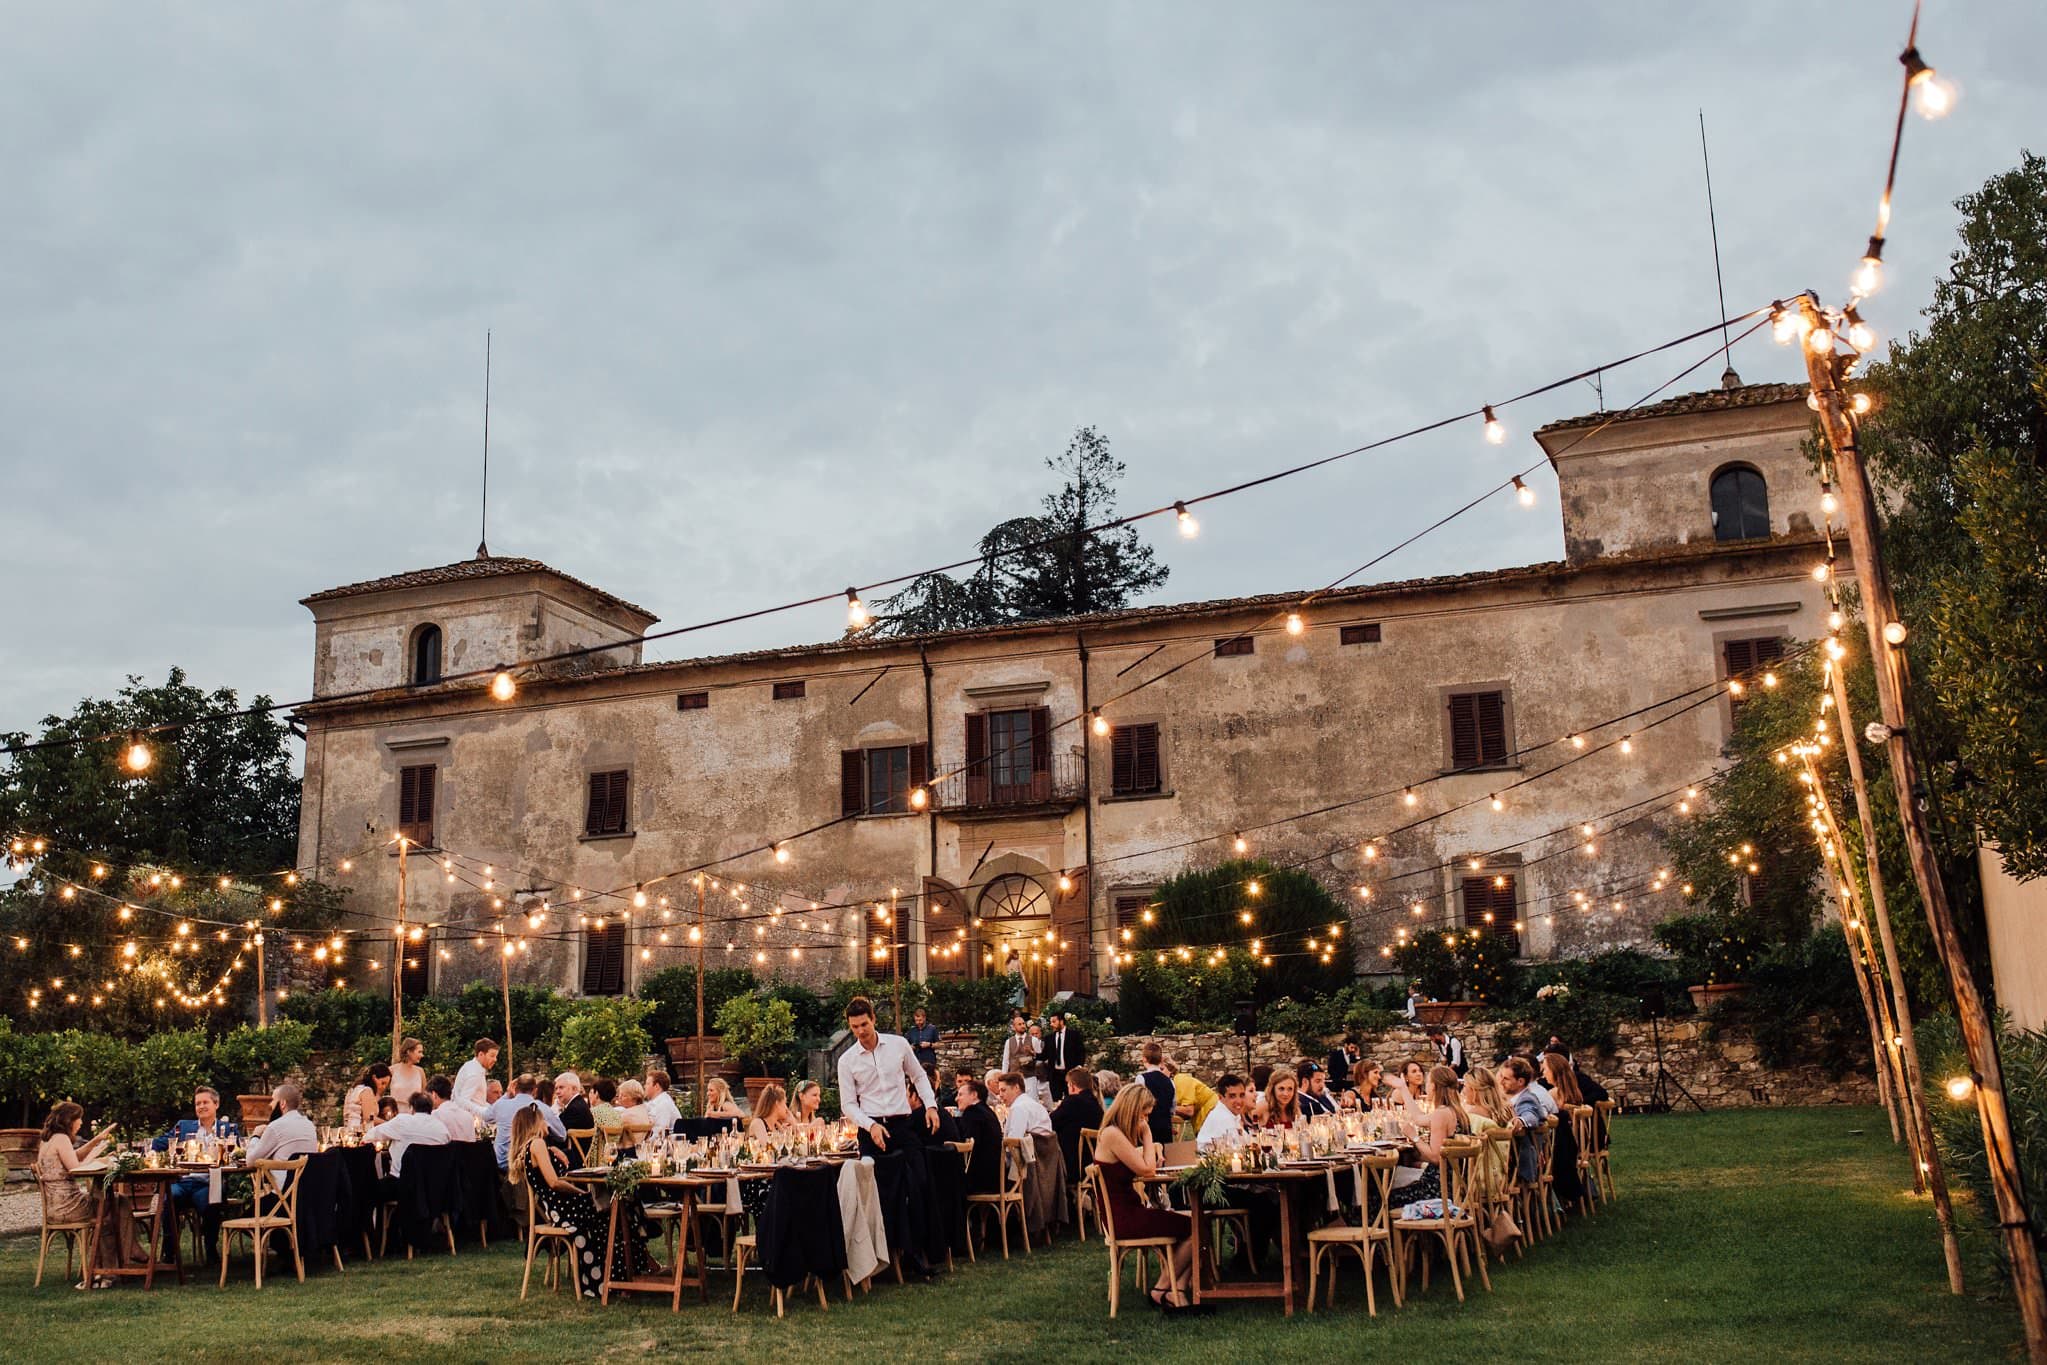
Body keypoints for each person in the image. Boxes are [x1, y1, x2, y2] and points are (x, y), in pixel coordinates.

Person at [508, 1104, 658, 1298]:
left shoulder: (532, 1148)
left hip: (559, 1208)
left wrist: (553, 1149)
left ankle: (631, 1272)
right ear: (534, 1123)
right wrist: (579, 1191)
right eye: (543, 1119)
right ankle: (628, 1274)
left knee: (620, 1208)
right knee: (618, 1211)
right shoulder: (537, 1144)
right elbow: (554, 1182)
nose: (546, 1123)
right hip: (565, 1209)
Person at [837, 994, 941, 1275]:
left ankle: (916, 1254)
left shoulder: (898, 1045)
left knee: (918, 1183)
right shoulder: (846, 1061)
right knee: (878, 1194)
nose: (860, 1031)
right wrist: (869, 1125)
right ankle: (880, 1259)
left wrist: (931, 1106)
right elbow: (847, 1104)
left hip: (902, 1124)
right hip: (870, 1129)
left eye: (864, 1025)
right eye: (855, 1027)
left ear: (873, 1020)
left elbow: (919, 1076)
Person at [1092, 1082, 1200, 1312]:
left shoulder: (1114, 1133)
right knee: (1196, 1227)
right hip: (1124, 1217)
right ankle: (1164, 1289)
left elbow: (1138, 1163)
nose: (1146, 1120)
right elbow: (1147, 1170)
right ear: (1133, 1110)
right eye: (1144, 1115)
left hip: (1129, 1210)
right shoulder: (1112, 1134)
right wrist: (1148, 1136)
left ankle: (1176, 1289)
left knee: (1196, 1224)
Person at [37, 1101, 141, 1281]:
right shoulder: (61, 1138)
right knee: (115, 1206)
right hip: (70, 1207)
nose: (81, 1123)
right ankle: (127, 1254)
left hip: (57, 1207)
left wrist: (95, 1141)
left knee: (115, 1205)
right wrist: (99, 1158)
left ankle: (115, 1261)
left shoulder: (49, 1139)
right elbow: (76, 1169)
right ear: (70, 1120)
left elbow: (73, 1157)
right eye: (79, 1119)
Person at [156, 1086, 239, 1258]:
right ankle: (169, 1252)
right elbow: (160, 1143)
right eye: (197, 1103)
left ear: (216, 1104)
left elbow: (238, 1152)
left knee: (211, 1201)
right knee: (168, 1199)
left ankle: (211, 1249)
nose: (201, 1106)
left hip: (208, 1182)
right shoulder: (184, 1126)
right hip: (184, 1181)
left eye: (205, 1102)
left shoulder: (228, 1128)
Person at [1388, 1064, 1472, 1214]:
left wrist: (1414, 1137)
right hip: (1455, 1184)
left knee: (1379, 1197)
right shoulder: (1457, 1111)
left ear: (1433, 1086)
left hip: (1438, 1190)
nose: (1426, 1086)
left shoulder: (1441, 1114)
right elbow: (1419, 1118)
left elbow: (1435, 1157)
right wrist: (1403, 1089)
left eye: (1428, 1082)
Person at [997, 1072, 1064, 1238]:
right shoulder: (1036, 1106)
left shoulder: (1019, 1108)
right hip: (1044, 1165)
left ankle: (999, 1232)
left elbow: (1013, 1144)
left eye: (1004, 1090)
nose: (1000, 1095)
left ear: (1016, 1088)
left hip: (1028, 1169)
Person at [247, 1083, 320, 1186]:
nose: (270, 1105)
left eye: (273, 1100)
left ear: (282, 1103)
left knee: (256, 1197)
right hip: (306, 1192)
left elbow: (250, 1161)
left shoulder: (275, 1127)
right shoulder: (310, 1125)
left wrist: (255, 1136)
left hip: (283, 1196)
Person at [1541, 1051, 1588, 1205]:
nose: (1543, 1072)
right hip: (1578, 1142)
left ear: (1554, 1070)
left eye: (1545, 1069)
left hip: (1561, 1145)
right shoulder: (1575, 1091)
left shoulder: (1553, 1094)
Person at [366, 1093, 450, 1177]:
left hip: (402, 1181)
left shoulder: (402, 1121)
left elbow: (372, 1135)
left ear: (412, 1108)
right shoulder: (441, 1128)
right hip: (434, 1182)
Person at [1462, 1066, 1514, 1203]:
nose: (1463, 1091)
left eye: (1465, 1087)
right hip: (1499, 1179)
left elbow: (1464, 1150)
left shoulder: (1474, 1116)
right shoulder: (1504, 1112)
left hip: (1476, 1181)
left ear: (1474, 1090)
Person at [1501, 1057, 1552, 1189]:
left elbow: (1530, 1116)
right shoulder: (1507, 1098)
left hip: (1517, 1160)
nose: (1500, 1082)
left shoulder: (1527, 1099)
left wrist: (1519, 1121)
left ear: (1520, 1081)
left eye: (1506, 1079)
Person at [1051, 1066, 1104, 1182]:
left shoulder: (1072, 1102)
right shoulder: (1097, 1105)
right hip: (1093, 1162)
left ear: (1072, 1086)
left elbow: (1050, 1123)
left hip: (1072, 1166)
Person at [955, 1076, 1005, 1194]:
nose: (956, 1098)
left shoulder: (972, 1113)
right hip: (996, 1175)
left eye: (961, 1094)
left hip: (981, 1180)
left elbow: (969, 1148)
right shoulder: (988, 1112)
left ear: (974, 1095)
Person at [488, 1073, 541, 1171]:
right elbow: (561, 1135)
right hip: (525, 1166)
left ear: (515, 1088)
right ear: (535, 1090)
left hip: (501, 1164)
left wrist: (507, 1095)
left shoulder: (501, 1105)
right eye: (496, 1092)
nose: (499, 1096)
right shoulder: (540, 1108)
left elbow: (486, 1116)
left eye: (501, 1092)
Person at [1165, 1057, 1219, 1139]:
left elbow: (1189, 1111)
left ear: (1169, 1070)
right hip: (1203, 1117)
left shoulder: (1179, 1080)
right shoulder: (1171, 1086)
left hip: (1211, 1113)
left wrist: (1166, 1108)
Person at [1195, 1074, 1250, 1152]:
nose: (1239, 1101)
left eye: (1242, 1095)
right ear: (1220, 1098)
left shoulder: (1231, 1113)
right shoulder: (1222, 1117)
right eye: (1232, 1096)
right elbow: (1238, 1149)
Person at [1137, 1042, 1176, 1146]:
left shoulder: (1141, 1079)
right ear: (1161, 1059)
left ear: (1144, 1059)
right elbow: (1173, 1107)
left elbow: (1137, 1105)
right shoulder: (1170, 1082)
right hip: (1165, 1128)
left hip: (1147, 1128)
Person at [1040, 1009, 1083, 1095]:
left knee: (1071, 1099)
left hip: (1070, 1074)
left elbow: (1081, 1052)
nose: (1051, 1024)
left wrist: (1078, 1067)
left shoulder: (1073, 1035)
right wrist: (1033, 1054)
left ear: (1061, 1021)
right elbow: (1044, 1055)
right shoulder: (1049, 1038)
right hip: (1054, 1075)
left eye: (1054, 1021)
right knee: (1055, 1100)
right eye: (1051, 1022)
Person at [453, 1038, 498, 1116]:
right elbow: (463, 1101)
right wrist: (484, 1112)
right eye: (492, 1056)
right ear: (481, 1054)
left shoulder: (471, 1066)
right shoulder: (474, 1073)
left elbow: (477, 1100)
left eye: (495, 1056)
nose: (495, 1059)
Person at [427, 1075, 477, 1142]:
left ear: (434, 1095)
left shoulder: (436, 1115)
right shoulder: (468, 1116)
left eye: (428, 1096)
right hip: (467, 1152)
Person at [999, 1011, 1040, 1093]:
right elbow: (1006, 1061)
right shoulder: (1009, 1042)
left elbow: (1040, 1058)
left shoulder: (1034, 1040)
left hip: (1030, 1078)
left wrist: (1032, 1054)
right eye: (1019, 1024)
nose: (1022, 1026)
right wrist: (1003, 1077)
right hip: (1014, 1078)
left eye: (1023, 1024)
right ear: (1014, 1027)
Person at [345, 1062, 391, 1131]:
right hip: (358, 1131)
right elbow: (369, 1118)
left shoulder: (355, 1089)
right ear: (374, 1077)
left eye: (386, 1085)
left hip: (349, 1130)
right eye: (382, 1083)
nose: (384, 1087)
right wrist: (389, 1124)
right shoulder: (367, 1091)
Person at [615, 1080, 654, 1155]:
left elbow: (612, 1131)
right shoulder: (644, 1111)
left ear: (634, 1098)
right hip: (642, 1152)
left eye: (623, 1095)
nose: (619, 1098)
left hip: (626, 1154)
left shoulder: (627, 1114)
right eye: (619, 1095)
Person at [389, 1037, 427, 1105]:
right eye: (419, 1052)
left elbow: (425, 1097)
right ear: (408, 1051)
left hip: (414, 1114)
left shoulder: (420, 1071)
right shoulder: (392, 1070)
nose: (422, 1055)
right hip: (396, 1113)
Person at [906, 1006, 942, 1074]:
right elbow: (906, 1045)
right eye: (916, 1020)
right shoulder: (911, 1031)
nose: (918, 1022)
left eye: (920, 1020)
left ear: (924, 1018)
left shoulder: (932, 1029)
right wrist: (911, 1047)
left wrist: (929, 1044)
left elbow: (940, 1044)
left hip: (929, 1062)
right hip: (916, 1062)